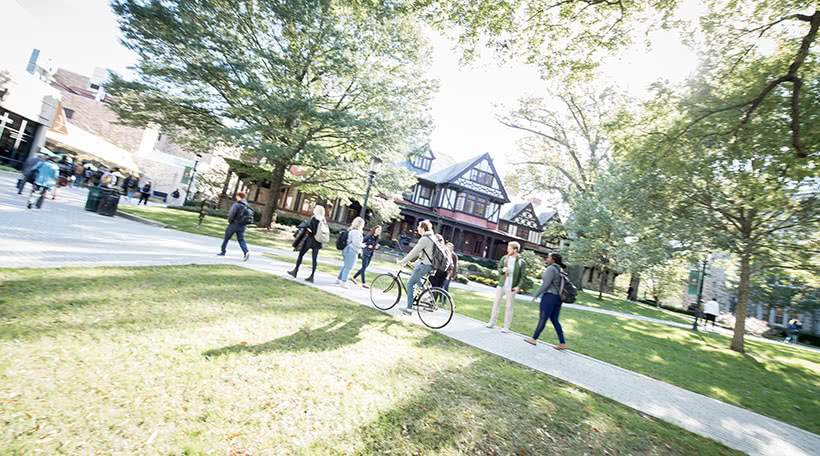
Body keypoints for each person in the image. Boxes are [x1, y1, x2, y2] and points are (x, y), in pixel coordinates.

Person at [524, 252, 568, 350]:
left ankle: (534, 339)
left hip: (549, 297)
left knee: (543, 318)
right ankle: (562, 343)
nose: (547, 259)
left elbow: (546, 284)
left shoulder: (551, 268)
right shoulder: (560, 269)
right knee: (554, 320)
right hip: (558, 298)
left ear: (553, 259)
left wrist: (536, 295)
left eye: (548, 258)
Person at [396, 220, 436, 315]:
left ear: (422, 228)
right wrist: (415, 263)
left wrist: (403, 261)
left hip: (425, 266)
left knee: (410, 284)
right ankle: (427, 297)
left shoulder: (425, 239)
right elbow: (424, 254)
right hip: (429, 266)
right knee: (416, 276)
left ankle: (409, 309)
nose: (417, 228)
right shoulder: (431, 237)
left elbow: (414, 251)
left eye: (418, 226)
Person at [487, 241, 526, 333]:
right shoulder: (504, 258)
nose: (508, 249)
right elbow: (499, 268)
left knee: (509, 307)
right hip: (502, 285)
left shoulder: (521, 261)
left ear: (515, 250)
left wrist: (518, 286)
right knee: (496, 304)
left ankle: (506, 327)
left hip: (511, 287)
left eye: (510, 248)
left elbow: (523, 276)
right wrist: (502, 270)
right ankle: (492, 322)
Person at [287, 205, 328, 283]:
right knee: (314, 259)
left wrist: (307, 227)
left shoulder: (314, 218)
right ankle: (312, 276)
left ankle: (295, 271)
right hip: (318, 242)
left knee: (301, 255)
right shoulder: (323, 220)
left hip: (309, 240)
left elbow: (311, 230)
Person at [217, 191, 250, 261]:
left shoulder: (237, 204)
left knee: (226, 238)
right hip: (242, 226)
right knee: (241, 240)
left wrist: (230, 221)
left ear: (239, 196)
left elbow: (231, 214)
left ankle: (223, 251)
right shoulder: (247, 206)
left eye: (237, 196)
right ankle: (246, 252)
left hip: (234, 224)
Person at [336, 217, 365, 288]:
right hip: (352, 250)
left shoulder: (352, 230)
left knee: (345, 266)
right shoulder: (357, 232)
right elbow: (356, 243)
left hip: (348, 249)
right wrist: (363, 245)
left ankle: (339, 279)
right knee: (349, 267)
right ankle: (343, 282)